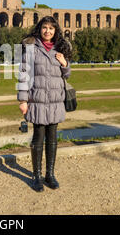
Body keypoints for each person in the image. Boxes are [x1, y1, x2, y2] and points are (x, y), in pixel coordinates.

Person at [17, 16, 72, 192]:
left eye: (51, 28)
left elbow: (66, 75)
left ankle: (50, 174)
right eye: (45, 28)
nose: (48, 31)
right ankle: (37, 176)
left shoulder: (60, 48)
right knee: (38, 138)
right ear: (39, 29)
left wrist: (65, 64)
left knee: (53, 139)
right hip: (37, 99)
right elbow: (24, 75)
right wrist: (23, 100)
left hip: (55, 100)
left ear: (56, 31)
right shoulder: (31, 49)